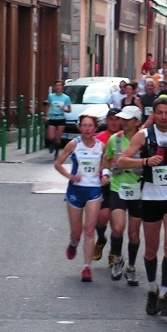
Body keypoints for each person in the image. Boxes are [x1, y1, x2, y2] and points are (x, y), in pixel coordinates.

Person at [116, 97, 167, 316]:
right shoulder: (143, 135)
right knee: (151, 248)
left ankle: (164, 294)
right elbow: (121, 161)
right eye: (159, 113)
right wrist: (144, 162)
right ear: (154, 114)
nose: (163, 117)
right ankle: (152, 289)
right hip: (151, 196)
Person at [54, 115, 106, 282]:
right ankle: (73, 243)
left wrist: (105, 175)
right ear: (79, 128)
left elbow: (105, 166)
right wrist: (70, 176)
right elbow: (58, 163)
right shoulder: (74, 144)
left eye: (90, 125)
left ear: (95, 128)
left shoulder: (101, 146)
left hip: (94, 191)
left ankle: (86, 268)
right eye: (84, 125)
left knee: (89, 229)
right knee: (76, 232)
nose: (87, 129)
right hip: (76, 192)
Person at [103, 106, 144, 286]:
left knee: (134, 233)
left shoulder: (145, 140)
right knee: (118, 227)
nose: (123, 122)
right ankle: (118, 257)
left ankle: (132, 267)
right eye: (122, 119)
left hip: (138, 189)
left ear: (136, 122)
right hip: (118, 186)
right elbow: (107, 158)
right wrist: (105, 172)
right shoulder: (115, 139)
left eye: (128, 119)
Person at [93, 108, 122, 265]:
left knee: (117, 222)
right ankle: (101, 238)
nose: (114, 122)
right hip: (102, 182)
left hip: (120, 183)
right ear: (106, 121)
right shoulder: (99, 139)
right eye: (111, 119)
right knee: (102, 218)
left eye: (117, 119)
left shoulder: (125, 138)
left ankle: (114, 252)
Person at [46, 80, 72, 157]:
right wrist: (46, 115)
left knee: (58, 137)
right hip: (52, 117)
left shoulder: (66, 98)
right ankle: (51, 143)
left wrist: (64, 109)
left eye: (59, 85)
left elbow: (69, 110)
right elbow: (48, 106)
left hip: (61, 118)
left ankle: (56, 152)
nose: (58, 87)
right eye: (56, 85)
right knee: (51, 136)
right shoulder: (51, 96)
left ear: (62, 87)